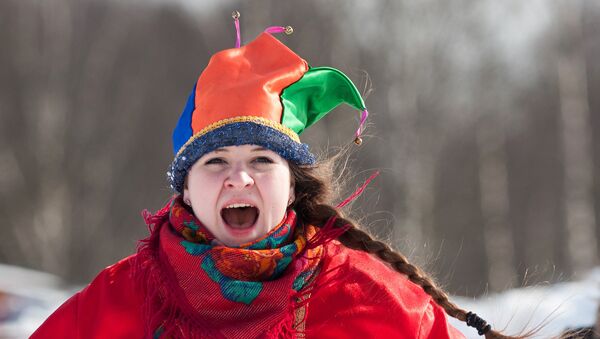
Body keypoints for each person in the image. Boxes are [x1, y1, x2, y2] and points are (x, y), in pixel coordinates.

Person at [32, 13, 511, 339]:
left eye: (262, 161)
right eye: (215, 161)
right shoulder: (119, 300)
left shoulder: (375, 300)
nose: (239, 178)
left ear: (292, 182)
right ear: (185, 188)